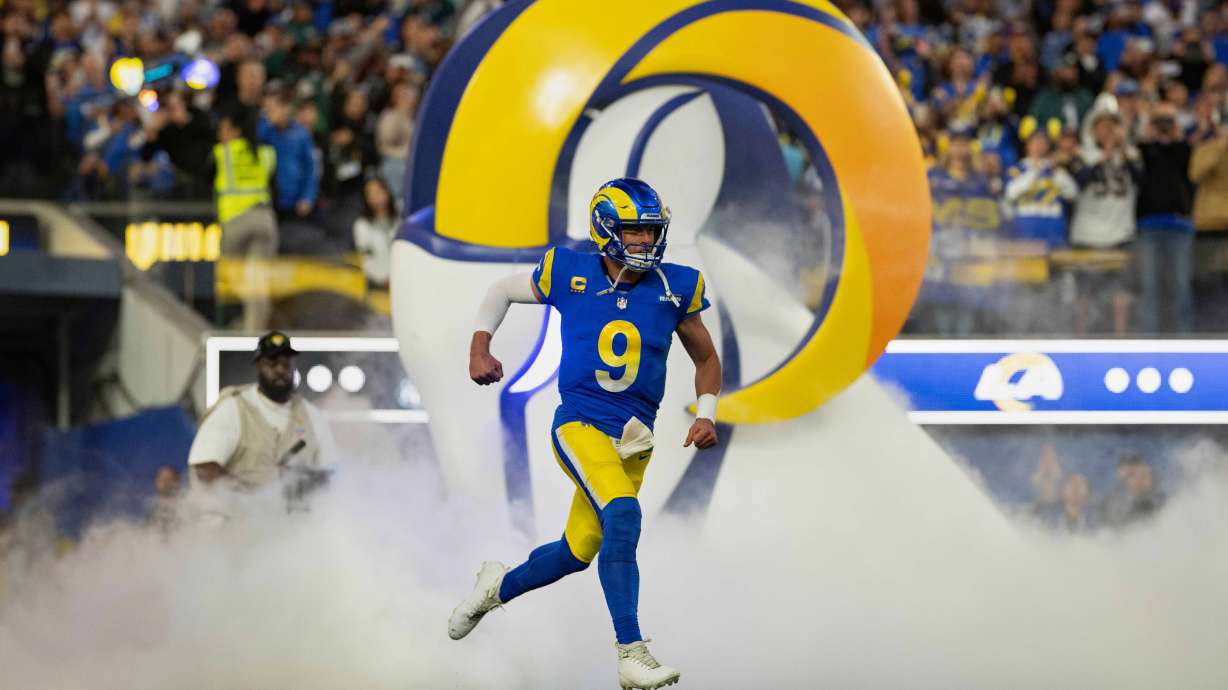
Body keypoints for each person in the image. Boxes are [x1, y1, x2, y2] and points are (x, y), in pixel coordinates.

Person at [450, 178, 721, 690]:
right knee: (623, 513)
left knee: (576, 553)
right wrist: (478, 346)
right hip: (580, 423)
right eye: (633, 232)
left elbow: (705, 357)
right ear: (605, 229)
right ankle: (631, 652)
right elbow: (500, 291)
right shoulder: (568, 271)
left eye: (649, 232)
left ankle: (494, 588)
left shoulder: (675, 285)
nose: (644, 242)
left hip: (635, 439)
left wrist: (706, 412)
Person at [187, 331, 336, 493]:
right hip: (236, 515)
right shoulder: (234, 408)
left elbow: (329, 473)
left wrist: (307, 486)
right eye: (272, 364)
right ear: (258, 366)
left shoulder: (311, 416)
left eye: (286, 364)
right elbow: (204, 467)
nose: (280, 370)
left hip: (293, 516)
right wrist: (251, 496)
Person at [1068, 108, 1141, 334]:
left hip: (1120, 232)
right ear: (1093, 129)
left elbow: (1142, 178)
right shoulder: (1081, 154)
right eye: (1103, 125)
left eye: (1113, 125)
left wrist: (1122, 151)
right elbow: (1079, 182)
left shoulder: (1132, 155)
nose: (1108, 130)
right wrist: (1105, 156)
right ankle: (1080, 340)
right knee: (1084, 296)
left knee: (1121, 295)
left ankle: (1121, 339)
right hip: (1087, 234)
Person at [213, 107, 278, 331]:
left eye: (223, 129)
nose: (220, 134)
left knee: (231, 276)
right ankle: (252, 329)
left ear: (234, 130)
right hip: (264, 219)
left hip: (235, 221)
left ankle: (250, 332)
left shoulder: (224, 152)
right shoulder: (267, 153)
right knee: (257, 282)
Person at [1135, 100, 1194, 333]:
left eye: (1168, 121)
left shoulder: (1183, 149)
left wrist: (1176, 131)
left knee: (1181, 287)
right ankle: (1148, 339)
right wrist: (1150, 130)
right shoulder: (1144, 150)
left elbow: (1187, 162)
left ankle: (1184, 338)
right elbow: (1138, 155)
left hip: (1178, 224)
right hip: (1149, 224)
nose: (1164, 126)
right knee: (1149, 288)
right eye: (1159, 121)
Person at [260, 88, 318, 222]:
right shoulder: (264, 130)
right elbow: (255, 141)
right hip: (267, 200)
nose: (275, 113)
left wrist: (307, 197)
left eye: (277, 108)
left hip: (295, 203)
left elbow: (310, 168)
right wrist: (269, 123)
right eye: (269, 110)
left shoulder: (301, 134)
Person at [353, 176, 398, 289]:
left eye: (379, 191)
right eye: (371, 193)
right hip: (378, 283)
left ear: (387, 191)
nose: (376, 196)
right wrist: (383, 279)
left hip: (403, 278)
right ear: (366, 199)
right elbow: (366, 260)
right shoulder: (361, 225)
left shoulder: (401, 217)